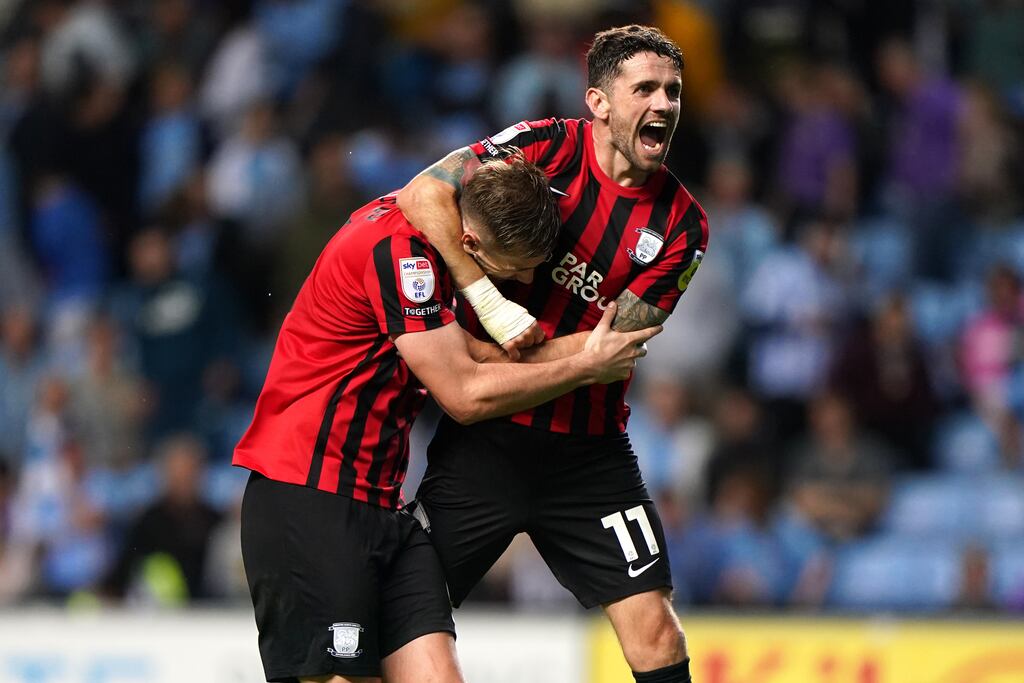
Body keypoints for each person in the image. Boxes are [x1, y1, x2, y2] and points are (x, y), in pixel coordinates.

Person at [233, 153, 660, 683]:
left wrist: (589, 352)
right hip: (309, 497)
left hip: (384, 508)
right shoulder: (399, 254)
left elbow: (476, 357)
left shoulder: (431, 248)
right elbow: (463, 393)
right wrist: (584, 369)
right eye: (517, 266)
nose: (527, 278)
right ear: (472, 245)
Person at [397, 25, 709, 683]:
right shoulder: (542, 148)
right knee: (403, 614)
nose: (663, 104)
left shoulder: (683, 225)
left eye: (673, 91)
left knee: (657, 630)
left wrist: (482, 361)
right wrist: (490, 303)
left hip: (587, 454)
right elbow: (423, 194)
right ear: (597, 101)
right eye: (645, 89)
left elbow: (616, 347)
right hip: (487, 440)